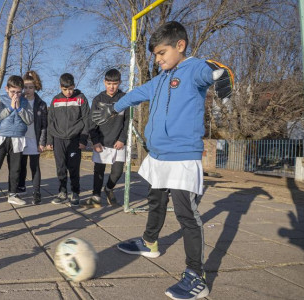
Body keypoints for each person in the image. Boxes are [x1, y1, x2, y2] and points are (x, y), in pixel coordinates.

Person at [92, 21, 233, 300]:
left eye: (161, 53)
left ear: (180, 46)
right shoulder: (160, 79)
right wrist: (113, 109)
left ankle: (196, 275)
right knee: (155, 200)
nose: (157, 59)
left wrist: (221, 75)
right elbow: (135, 95)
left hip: (181, 157)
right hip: (158, 155)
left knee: (186, 214)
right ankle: (149, 242)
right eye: (155, 55)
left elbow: (211, 73)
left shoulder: (193, 69)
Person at [0, 75, 33, 207]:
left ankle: (13, 194)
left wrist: (19, 108)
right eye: (13, 92)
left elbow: (29, 120)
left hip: (18, 138)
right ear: (6, 89)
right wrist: (10, 107)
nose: (16, 95)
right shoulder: (0, 99)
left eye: (19, 92)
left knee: (15, 169)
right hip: (1, 137)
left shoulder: (25, 102)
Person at [87, 69, 130, 207]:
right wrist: (95, 141)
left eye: (115, 83)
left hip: (118, 143)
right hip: (102, 142)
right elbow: (92, 123)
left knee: (117, 172)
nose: (112, 87)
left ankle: (109, 189)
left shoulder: (124, 98)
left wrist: (122, 139)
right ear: (104, 82)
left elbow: (127, 121)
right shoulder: (98, 99)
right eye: (109, 83)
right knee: (98, 171)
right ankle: (96, 196)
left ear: (119, 83)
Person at [47, 73, 91, 206]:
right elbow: (51, 121)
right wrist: (49, 140)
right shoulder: (55, 100)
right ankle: (62, 192)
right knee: (60, 167)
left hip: (75, 139)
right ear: (60, 87)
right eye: (65, 89)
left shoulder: (81, 99)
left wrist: (83, 139)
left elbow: (86, 120)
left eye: (71, 89)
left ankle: (75, 192)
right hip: (58, 139)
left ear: (74, 86)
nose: (68, 92)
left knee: (73, 167)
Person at [15, 70, 47, 205]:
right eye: (26, 87)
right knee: (19, 165)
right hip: (20, 138)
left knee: (34, 166)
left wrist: (42, 142)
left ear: (35, 87)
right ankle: (20, 187)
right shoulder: (18, 100)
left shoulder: (41, 104)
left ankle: (36, 192)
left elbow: (44, 125)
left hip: (34, 139)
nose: (28, 90)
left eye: (31, 87)